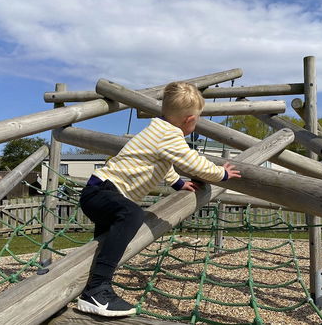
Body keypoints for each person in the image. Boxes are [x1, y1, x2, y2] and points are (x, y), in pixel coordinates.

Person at [76, 82, 241, 317]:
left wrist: (178, 183)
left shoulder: (159, 130)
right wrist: (221, 174)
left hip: (99, 192)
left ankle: (92, 288)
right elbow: (192, 162)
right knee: (132, 214)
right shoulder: (169, 136)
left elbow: (162, 164)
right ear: (189, 120)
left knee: (106, 243)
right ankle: (97, 291)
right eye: (197, 120)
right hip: (104, 192)